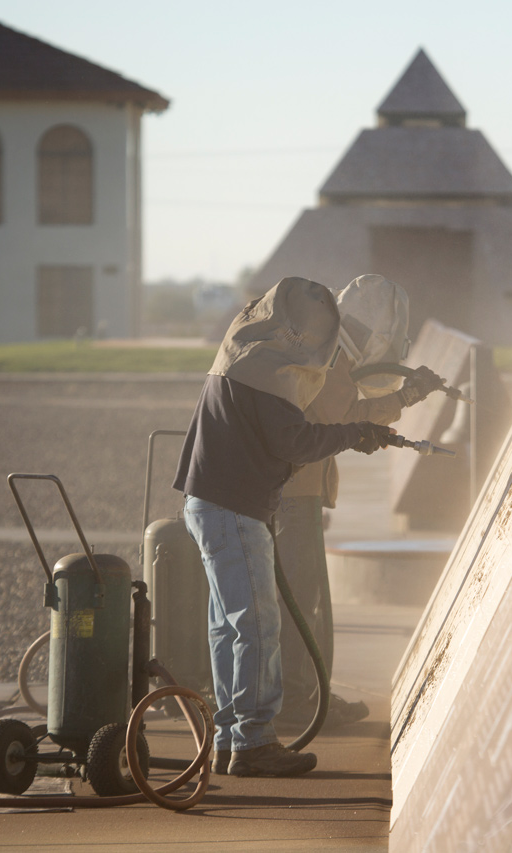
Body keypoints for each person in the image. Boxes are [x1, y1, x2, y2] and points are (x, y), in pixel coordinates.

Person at [172, 276, 392, 778]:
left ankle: (233, 735)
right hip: (234, 509)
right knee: (257, 624)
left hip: (208, 504)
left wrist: (352, 432)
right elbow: (291, 442)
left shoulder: (244, 355)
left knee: (228, 626)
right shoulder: (270, 375)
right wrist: (355, 433)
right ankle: (252, 742)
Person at [275, 274, 443, 728]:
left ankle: (306, 696)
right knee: (301, 602)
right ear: (380, 333)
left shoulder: (323, 345)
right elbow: (349, 416)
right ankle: (300, 703)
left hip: (293, 490)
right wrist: (407, 396)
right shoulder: (334, 358)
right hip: (295, 494)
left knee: (300, 600)